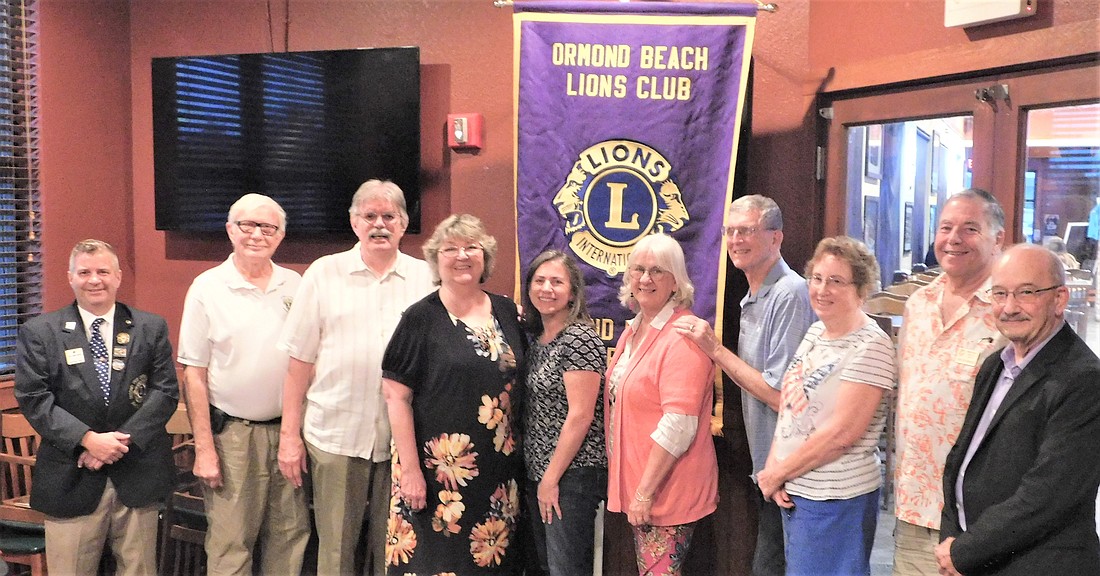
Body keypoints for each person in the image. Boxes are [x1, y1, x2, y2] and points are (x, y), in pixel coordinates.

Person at [277, 180, 434, 576]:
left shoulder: (426, 278)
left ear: (403, 224)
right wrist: (288, 437)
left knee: (396, 551)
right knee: (336, 552)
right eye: (370, 216)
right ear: (354, 222)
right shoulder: (323, 274)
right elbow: (299, 362)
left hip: (405, 443)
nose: (379, 224)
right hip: (336, 436)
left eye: (389, 216)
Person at [14, 239, 179, 575]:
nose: (95, 280)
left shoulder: (150, 327)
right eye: (85, 272)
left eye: (103, 271)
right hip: (70, 475)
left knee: (140, 570)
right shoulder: (40, 332)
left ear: (118, 276)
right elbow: (34, 398)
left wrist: (117, 442)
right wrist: (89, 440)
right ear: (71, 278)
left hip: (137, 471)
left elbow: (164, 392)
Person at [938, 244, 1100, 575]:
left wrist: (964, 552)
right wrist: (952, 539)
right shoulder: (994, 365)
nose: (1009, 307)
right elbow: (962, 461)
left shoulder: (1085, 379)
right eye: (1000, 294)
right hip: (979, 558)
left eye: (1026, 293)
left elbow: (1047, 498)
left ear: (1059, 299)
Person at [674, 195, 814, 576]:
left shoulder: (789, 293)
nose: (735, 239)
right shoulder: (752, 294)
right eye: (730, 231)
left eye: (746, 230)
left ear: (776, 238)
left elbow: (778, 394)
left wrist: (715, 349)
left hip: (792, 471)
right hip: (769, 469)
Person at [382, 213, 527, 574]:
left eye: (471, 247)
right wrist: (411, 472)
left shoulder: (508, 311)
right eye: (450, 249)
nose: (462, 256)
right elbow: (396, 398)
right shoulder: (419, 318)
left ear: (485, 257)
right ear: (436, 260)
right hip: (438, 477)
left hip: (498, 473)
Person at [176, 194, 310, 575]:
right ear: (230, 230)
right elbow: (194, 375)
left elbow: (305, 362)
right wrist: (204, 450)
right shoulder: (207, 288)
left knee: (290, 536)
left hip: (288, 433)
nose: (257, 235)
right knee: (231, 544)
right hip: (232, 437)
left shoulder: (295, 285)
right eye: (247, 225)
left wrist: (294, 434)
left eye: (268, 227)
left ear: (281, 235)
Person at [757, 236, 896, 576]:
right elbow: (790, 406)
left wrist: (778, 472)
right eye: (817, 278)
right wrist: (775, 468)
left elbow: (842, 434)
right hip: (798, 490)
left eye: (836, 281)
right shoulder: (816, 332)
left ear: (861, 289)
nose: (822, 289)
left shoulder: (872, 346)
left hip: (836, 499)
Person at [893, 188, 1007, 576]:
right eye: (946, 228)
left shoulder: (1009, 313)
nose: (954, 238)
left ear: (998, 239)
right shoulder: (917, 305)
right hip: (913, 503)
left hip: (977, 513)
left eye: (970, 228)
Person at [605, 233, 718, 576]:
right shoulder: (635, 329)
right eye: (638, 269)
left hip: (666, 490)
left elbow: (679, 426)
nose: (644, 278)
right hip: (644, 486)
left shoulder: (683, 335)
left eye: (657, 270)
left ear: (675, 281)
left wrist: (643, 492)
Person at [521, 250, 607, 576]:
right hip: (541, 472)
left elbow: (581, 416)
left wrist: (551, 479)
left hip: (571, 475)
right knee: (546, 567)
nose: (547, 288)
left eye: (557, 282)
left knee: (565, 570)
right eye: (540, 280)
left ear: (573, 292)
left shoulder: (579, 337)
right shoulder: (539, 339)